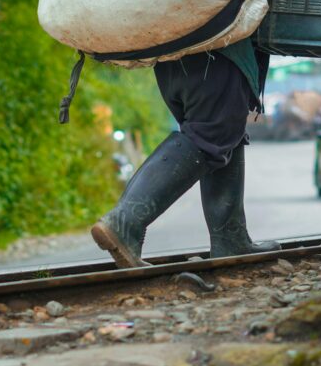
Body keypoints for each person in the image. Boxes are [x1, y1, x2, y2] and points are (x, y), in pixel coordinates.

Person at [91, 37, 281, 268]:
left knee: (224, 132)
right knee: (211, 133)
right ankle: (126, 222)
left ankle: (231, 240)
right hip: (217, 50)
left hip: (175, 54)